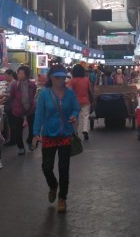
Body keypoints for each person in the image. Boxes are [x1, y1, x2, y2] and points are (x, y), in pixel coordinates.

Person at [32, 64, 80, 213]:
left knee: (64, 168)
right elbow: (39, 114)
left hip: (65, 135)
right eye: (57, 77)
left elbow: (76, 108)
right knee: (46, 167)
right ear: (51, 78)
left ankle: (62, 198)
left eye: (63, 78)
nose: (60, 80)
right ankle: (53, 185)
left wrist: (74, 115)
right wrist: (35, 133)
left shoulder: (70, 94)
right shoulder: (44, 95)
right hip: (48, 135)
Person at [67, 63, 93, 140]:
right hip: (85, 101)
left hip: (74, 102)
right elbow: (90, 91)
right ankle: (85, 130)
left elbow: (68, 91)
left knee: (75, 117)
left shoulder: (72, 81)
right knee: (85, 116)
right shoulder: (86, 80)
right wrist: (92, 100)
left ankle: (75, 132)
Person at [1, 69, 17, 147]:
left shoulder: (12, 83)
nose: (5, 77)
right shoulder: (12, 83)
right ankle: (13, 139)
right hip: (11, 106)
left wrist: (3, 97)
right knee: (12, 123)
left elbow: (10, 95)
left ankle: (13, 140)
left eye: (6, 76)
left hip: (11, 106)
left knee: (12, 124)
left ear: (10, 75)